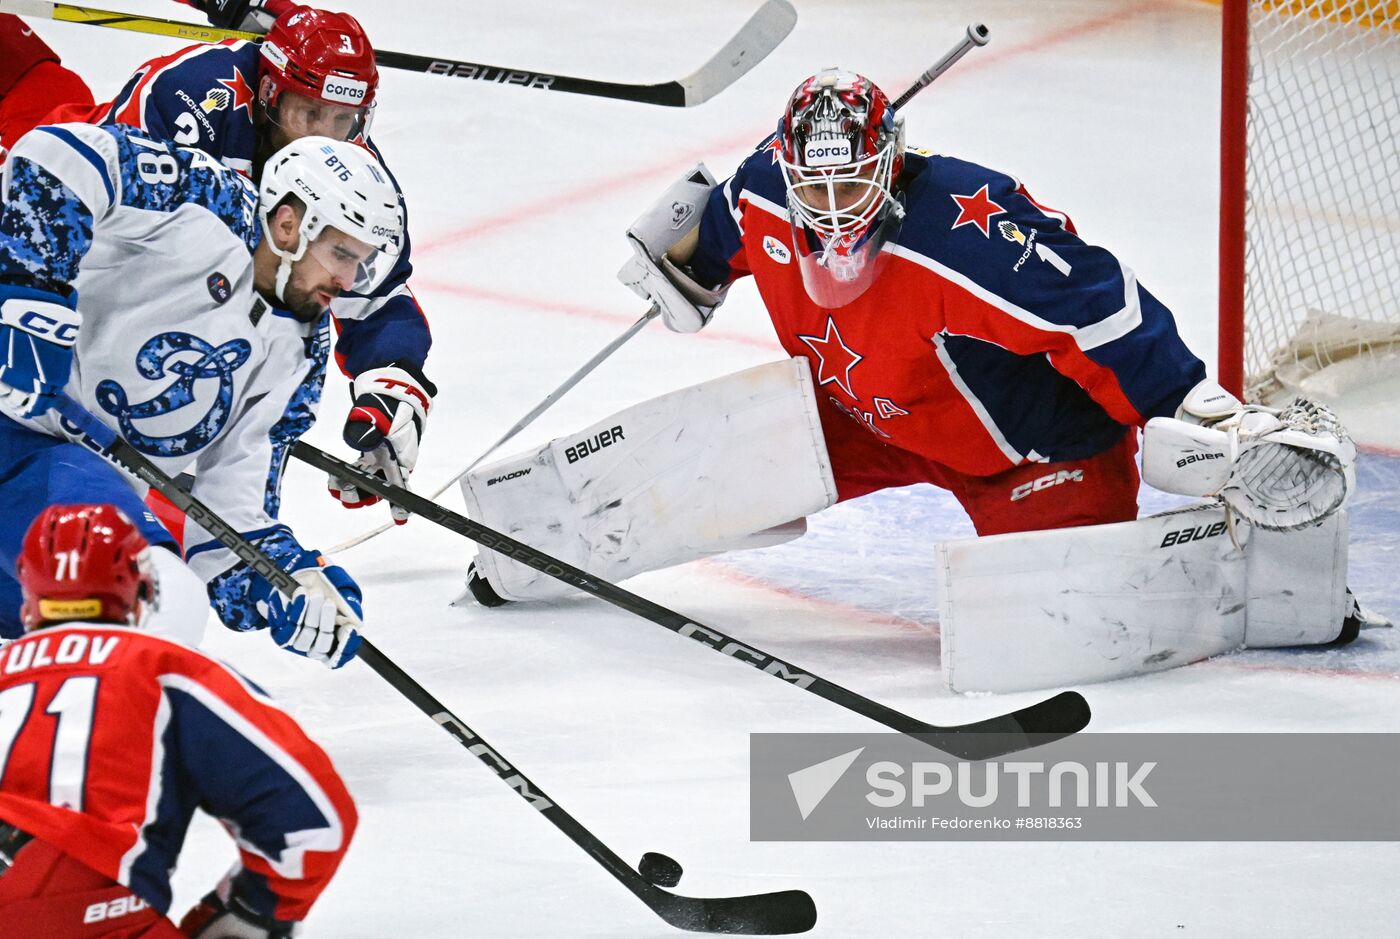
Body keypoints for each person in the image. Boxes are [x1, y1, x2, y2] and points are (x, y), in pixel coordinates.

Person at [460, 67, 1358, 645]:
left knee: (1069, 628)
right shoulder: (766, 191)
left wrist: (1198, 409)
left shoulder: (970, 237)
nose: (831, 204)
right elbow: (715, 228)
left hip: (1028, 455)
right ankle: (527, 542)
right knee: (703, 452)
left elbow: (1104, 312)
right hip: (862, 417)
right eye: (814, 183)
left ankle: (1278, 584)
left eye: (852, 181)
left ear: (891, 164)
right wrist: (679, 264)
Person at [0, 2, 435, 527]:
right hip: (43, 183)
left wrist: (392, 383)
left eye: (342, 120)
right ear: (270, 92)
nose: (324, 137)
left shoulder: (347, 166)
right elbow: (100, 243)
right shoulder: (191, 100)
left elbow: (377, 297)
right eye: (309, 113)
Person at [0, 117, 399, 666]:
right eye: (342, 254)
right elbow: (55, 155)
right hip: (25, 443)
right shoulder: (206, 200)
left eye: (361, 261)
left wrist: (287, 582)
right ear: (288, 225)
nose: (350, 281)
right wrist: (31, 296)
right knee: (148, 585)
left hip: (65, 509)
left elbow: (230, 516)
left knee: (162, 604)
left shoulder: (299, 353)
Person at [0, 503, 357, 938]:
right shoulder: (165, 668)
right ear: (142, 588)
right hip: (67, 900)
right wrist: (249, 909)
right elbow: (314, 821)